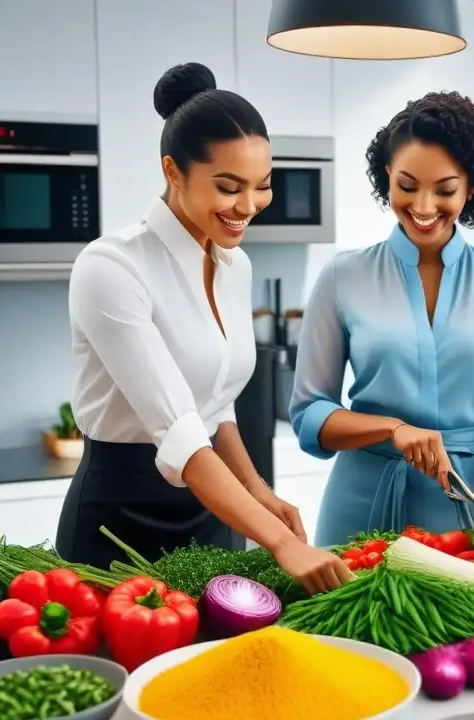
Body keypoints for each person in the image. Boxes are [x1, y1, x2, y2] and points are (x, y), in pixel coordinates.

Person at [56, 62, 353, 594]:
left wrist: (256, 492)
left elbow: (215, 404)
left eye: (262, 187)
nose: (248, 207)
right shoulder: (111, 267)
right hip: (118, 521)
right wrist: (282, 543)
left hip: (219, 515)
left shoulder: (235, 266)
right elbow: (180, 432)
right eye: (228, 186)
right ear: (173, 172)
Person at [290, 91, 474, 547]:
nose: (424, 207)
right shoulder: (341, 277)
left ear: (472, 187)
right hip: (361, 505)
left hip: (471, 508)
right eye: (407, 186)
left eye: (445, 190)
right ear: (387, 175)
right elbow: (310, 414)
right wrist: (393, 429)